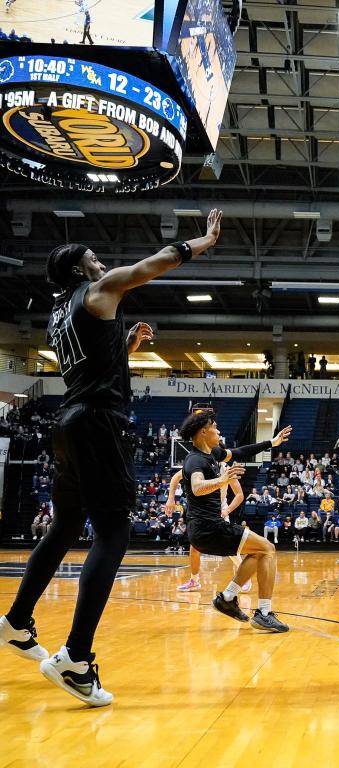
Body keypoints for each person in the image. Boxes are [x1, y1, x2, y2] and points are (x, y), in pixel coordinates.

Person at [0, 211, 222, 707]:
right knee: (113, 535)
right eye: (93, 259)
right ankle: (76, 659)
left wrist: (127, 343)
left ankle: (16, 622)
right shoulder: (98, 292)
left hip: (68, 421)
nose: (101, 263)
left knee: (63, 528)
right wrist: (204, 241)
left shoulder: (60, 312)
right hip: (99, 423)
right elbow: (157, 262)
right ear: (80, 270)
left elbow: (92, 360)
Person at [178, 410, 291, 633]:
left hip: (208, 528)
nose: (219, 431)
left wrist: (272, 442)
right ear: (203, 432)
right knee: (268, 549)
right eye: (215, 427)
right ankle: (264, 613)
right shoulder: (195, 460)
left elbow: (240, 451)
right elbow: (197, 487)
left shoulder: (213, 454)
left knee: (259, 551)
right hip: (208, 528)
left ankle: (228, 598)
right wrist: (223, 479)